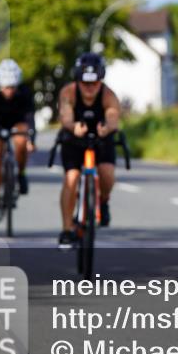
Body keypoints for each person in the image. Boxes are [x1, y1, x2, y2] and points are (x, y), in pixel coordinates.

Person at [56, 52, 121, 247]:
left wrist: (107, 127)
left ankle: (104, 200)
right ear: (77, 80)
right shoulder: (68, 93)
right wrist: (73, 126)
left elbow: (113, 115)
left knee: (107, 173)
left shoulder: (109, 95)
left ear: (101, 81)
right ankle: (67, 229)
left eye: (94, 83)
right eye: (85, 83)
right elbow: (66, 114)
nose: (90, 88)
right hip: (74, 139)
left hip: (101, 138)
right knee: (72, 178)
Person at [0, 59, 35, 222]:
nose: (9, 91)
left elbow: (30, 118)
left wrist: (32, 139)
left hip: (17, 122)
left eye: (12, 87)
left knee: (21, 142)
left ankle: (22, 173)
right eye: (6, 87)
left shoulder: (25, 93)